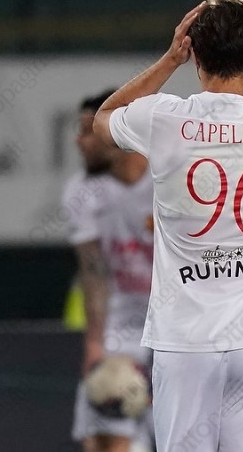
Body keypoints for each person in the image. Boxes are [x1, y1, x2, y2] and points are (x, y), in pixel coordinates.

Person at [92, 0, 243, 452]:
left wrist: (169, 59)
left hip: (185, 339)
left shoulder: (163, 117)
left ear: (195, 55)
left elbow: (103, 119)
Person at [63, 91, 155, 452]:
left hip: (180, 322)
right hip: (122, 323)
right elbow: (94, 272)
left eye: (88, 131)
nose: (79, 141)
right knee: (102, 426)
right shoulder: (82, 192)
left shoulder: (169, 178)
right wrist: (95, 345)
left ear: (117, 134)